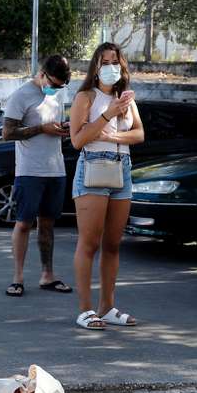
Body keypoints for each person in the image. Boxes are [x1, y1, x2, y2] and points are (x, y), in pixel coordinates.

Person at [68, 43, 144, 330]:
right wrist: (108, 114)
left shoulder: (126, 99)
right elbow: (77, 140)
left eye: (115, 61)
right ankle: (86, 309)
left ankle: (107, 306)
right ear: (96, 67)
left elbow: (138, 134)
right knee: (89, 243)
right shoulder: (86, 97)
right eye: (105, 61)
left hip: (121, 168)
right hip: (92, 168)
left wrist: (113, 138)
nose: (111, 66)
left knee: (113, 244)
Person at [2, 54, 73, 298]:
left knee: (48, 224)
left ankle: (47, 275)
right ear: (42, 74)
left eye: (60, 86)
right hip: (29, 170)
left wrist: (63, 129)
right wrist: (41, 129)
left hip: (56, 169)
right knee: (23, 223)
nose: (56, 89)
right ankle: (18, 278)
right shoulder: (21, 95)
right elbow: (7, 133)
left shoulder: (59, 93)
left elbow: (55, 123)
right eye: (53, 83)